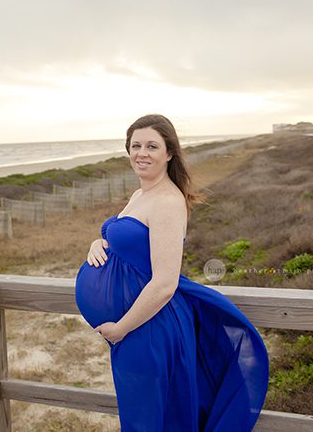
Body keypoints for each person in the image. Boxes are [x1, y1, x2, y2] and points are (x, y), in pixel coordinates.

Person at [75, 114, 269, 431]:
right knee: (141, 416)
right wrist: (99, 242)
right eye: (135, 145)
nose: (142, 153)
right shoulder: (141, 195)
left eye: (152, 146)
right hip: (136, 328)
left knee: (153, 420)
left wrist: (121, 328)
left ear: (169, 153)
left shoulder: (167, 201)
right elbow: (128, 242)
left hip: (148, 327)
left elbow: (164, 283)